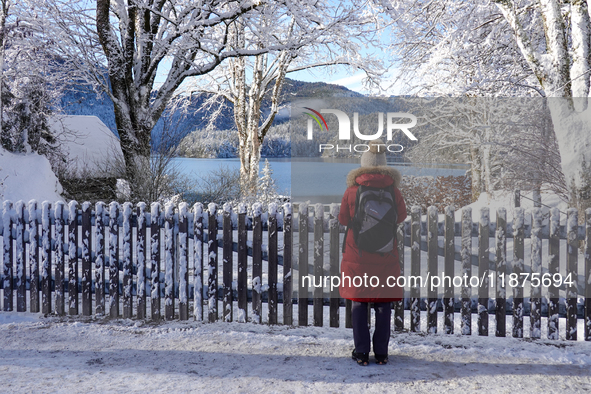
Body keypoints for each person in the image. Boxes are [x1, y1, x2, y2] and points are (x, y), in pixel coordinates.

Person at [338, 138, 407, 366]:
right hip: (385, 255)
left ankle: (360, 353)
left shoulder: (352, 190)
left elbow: (343, 219)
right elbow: (402, 216)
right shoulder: (393, 190)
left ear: (363, 165)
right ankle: (381, 354)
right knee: (383, 303)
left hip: (357, 255)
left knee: (359, 303)